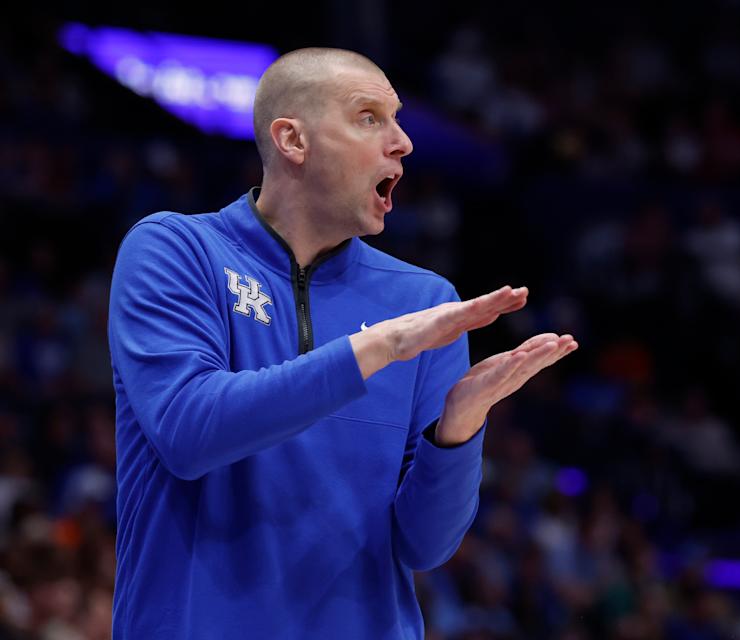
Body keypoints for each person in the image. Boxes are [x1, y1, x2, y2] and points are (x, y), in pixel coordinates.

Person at [107, 47, 577, 639]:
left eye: (398, 119)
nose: (402, 142)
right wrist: (377, 347)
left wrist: (456, 430)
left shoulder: (424, 301)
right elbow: (188, 432)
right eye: (369, 117)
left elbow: (424, 545)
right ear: (292, 141)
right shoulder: (176, 250)